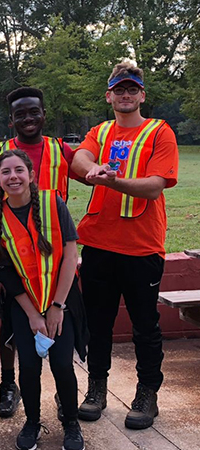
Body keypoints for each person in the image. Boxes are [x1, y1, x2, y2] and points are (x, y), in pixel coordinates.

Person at [72, 61, 179, 430]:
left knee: (144, 326)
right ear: (109, 96)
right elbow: (78, 159)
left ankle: (147, 393)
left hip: (142, 247)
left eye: (132, 89)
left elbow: (154, 185)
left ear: (142, 95)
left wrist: (111, 180)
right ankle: (97, 388)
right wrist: (93, 167)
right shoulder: (100, 131)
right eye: (120, 89)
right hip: (99, 244)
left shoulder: (159, 132)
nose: (126, 95)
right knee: (98, 324)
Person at [0, 87, 77, 419]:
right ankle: (9, 384)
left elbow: (88, 169)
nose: (28, 119)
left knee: (61, 342)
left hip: (53, 261)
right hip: (14, 258)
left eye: (33, 112)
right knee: (10, 329)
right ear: (11, 120)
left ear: (43, 114)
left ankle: (65, 397)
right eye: (20, 114)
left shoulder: (60, 149)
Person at [0, 149, 86, 450]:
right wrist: (33, 314)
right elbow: (4, 271)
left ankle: (71, 423)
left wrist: (56, 307)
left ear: (31, 174)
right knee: (28, 367)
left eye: (19, 170)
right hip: (24, 306)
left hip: (62, 301)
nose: (13, 177)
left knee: (61, 365)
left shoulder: (53, 203)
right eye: (6, 172)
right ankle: (32, 422)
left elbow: (70, 255)